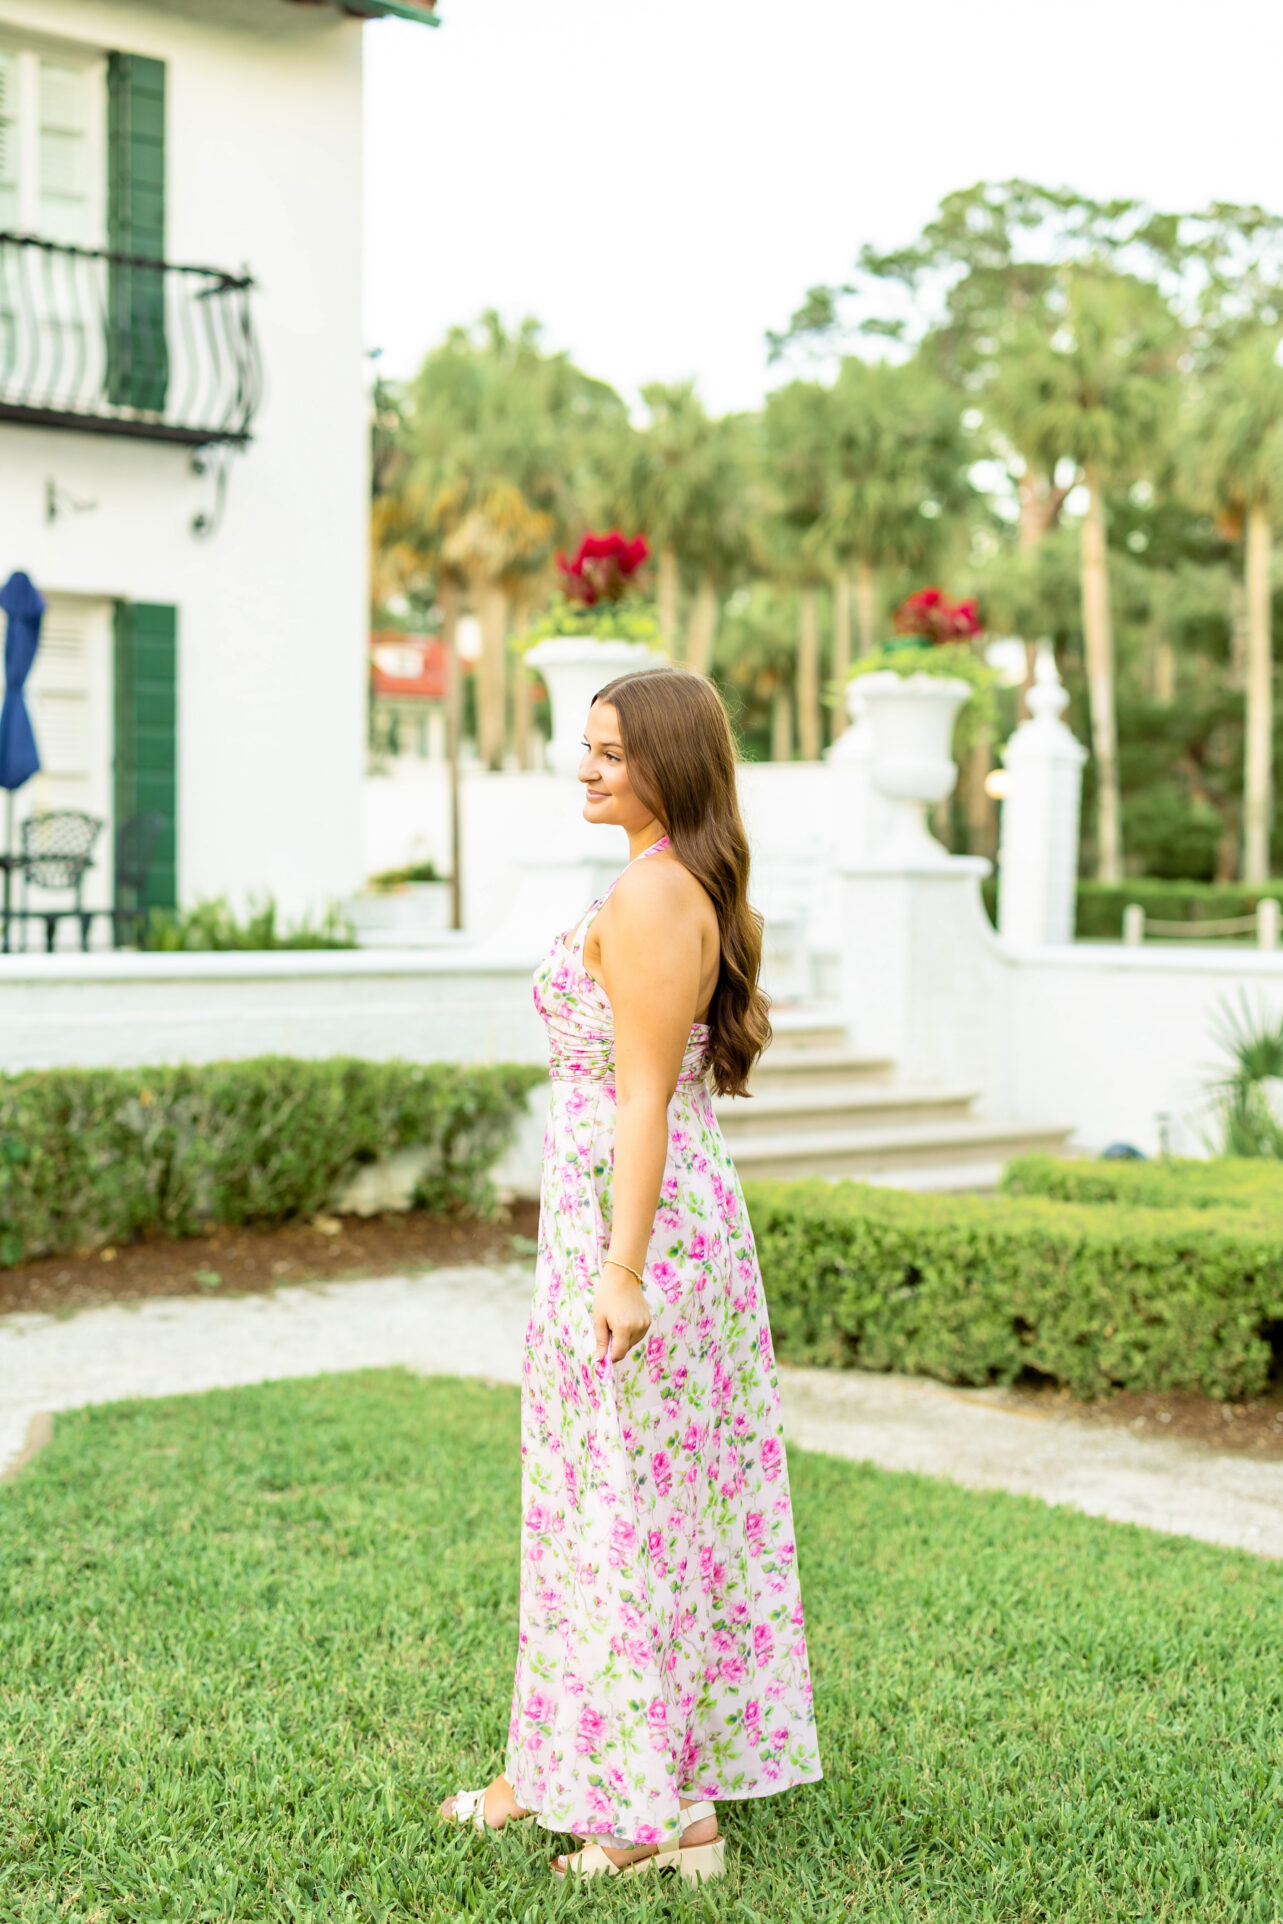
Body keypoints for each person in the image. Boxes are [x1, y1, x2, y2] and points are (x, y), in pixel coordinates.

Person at [442, 668, 821, 1884]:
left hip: (639, 1237)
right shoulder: (654, 879)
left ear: (667, 760)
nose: (585, 767)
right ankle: (558, 1769)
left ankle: (654, 1818)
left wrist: (618, 1268)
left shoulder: (656, 896)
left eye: (610, 751)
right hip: (622, 1224)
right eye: (584, 746)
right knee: (592, 1504)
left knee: (624, 1517)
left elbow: (642, 1097)